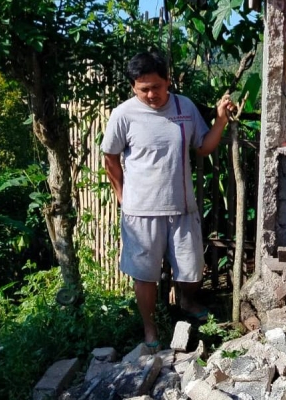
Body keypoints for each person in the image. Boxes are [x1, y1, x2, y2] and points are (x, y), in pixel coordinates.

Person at [101, 51, 236, 350]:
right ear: (133, 88)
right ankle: (150, 330)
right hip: (141, 212)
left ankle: (186, 303)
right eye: (143, 89)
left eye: (156, 87)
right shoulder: (123, 115)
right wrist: (123, 197)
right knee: (145, 275)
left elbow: (203, 147)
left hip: (182, 206)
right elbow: (110, 158)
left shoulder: (184, 107)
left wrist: (221, 120)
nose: (151, 94)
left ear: (168, 81)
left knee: (191, 267)